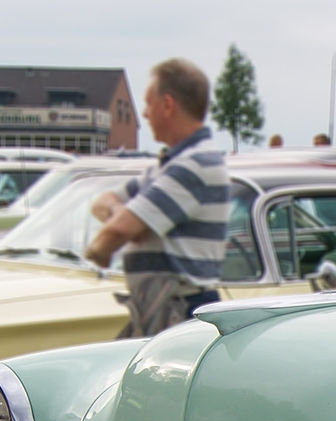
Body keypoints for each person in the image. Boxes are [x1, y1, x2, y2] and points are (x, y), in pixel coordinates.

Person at [84, 58, 229, 338]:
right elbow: (102, 201)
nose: (146, 115)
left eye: (148, 104)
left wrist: (101, 250)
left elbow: (112, 234)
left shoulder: (195, 164)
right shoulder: (168, 165)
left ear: (167, 104)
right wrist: (129, 218)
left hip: (181, 311)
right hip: (163, 306)